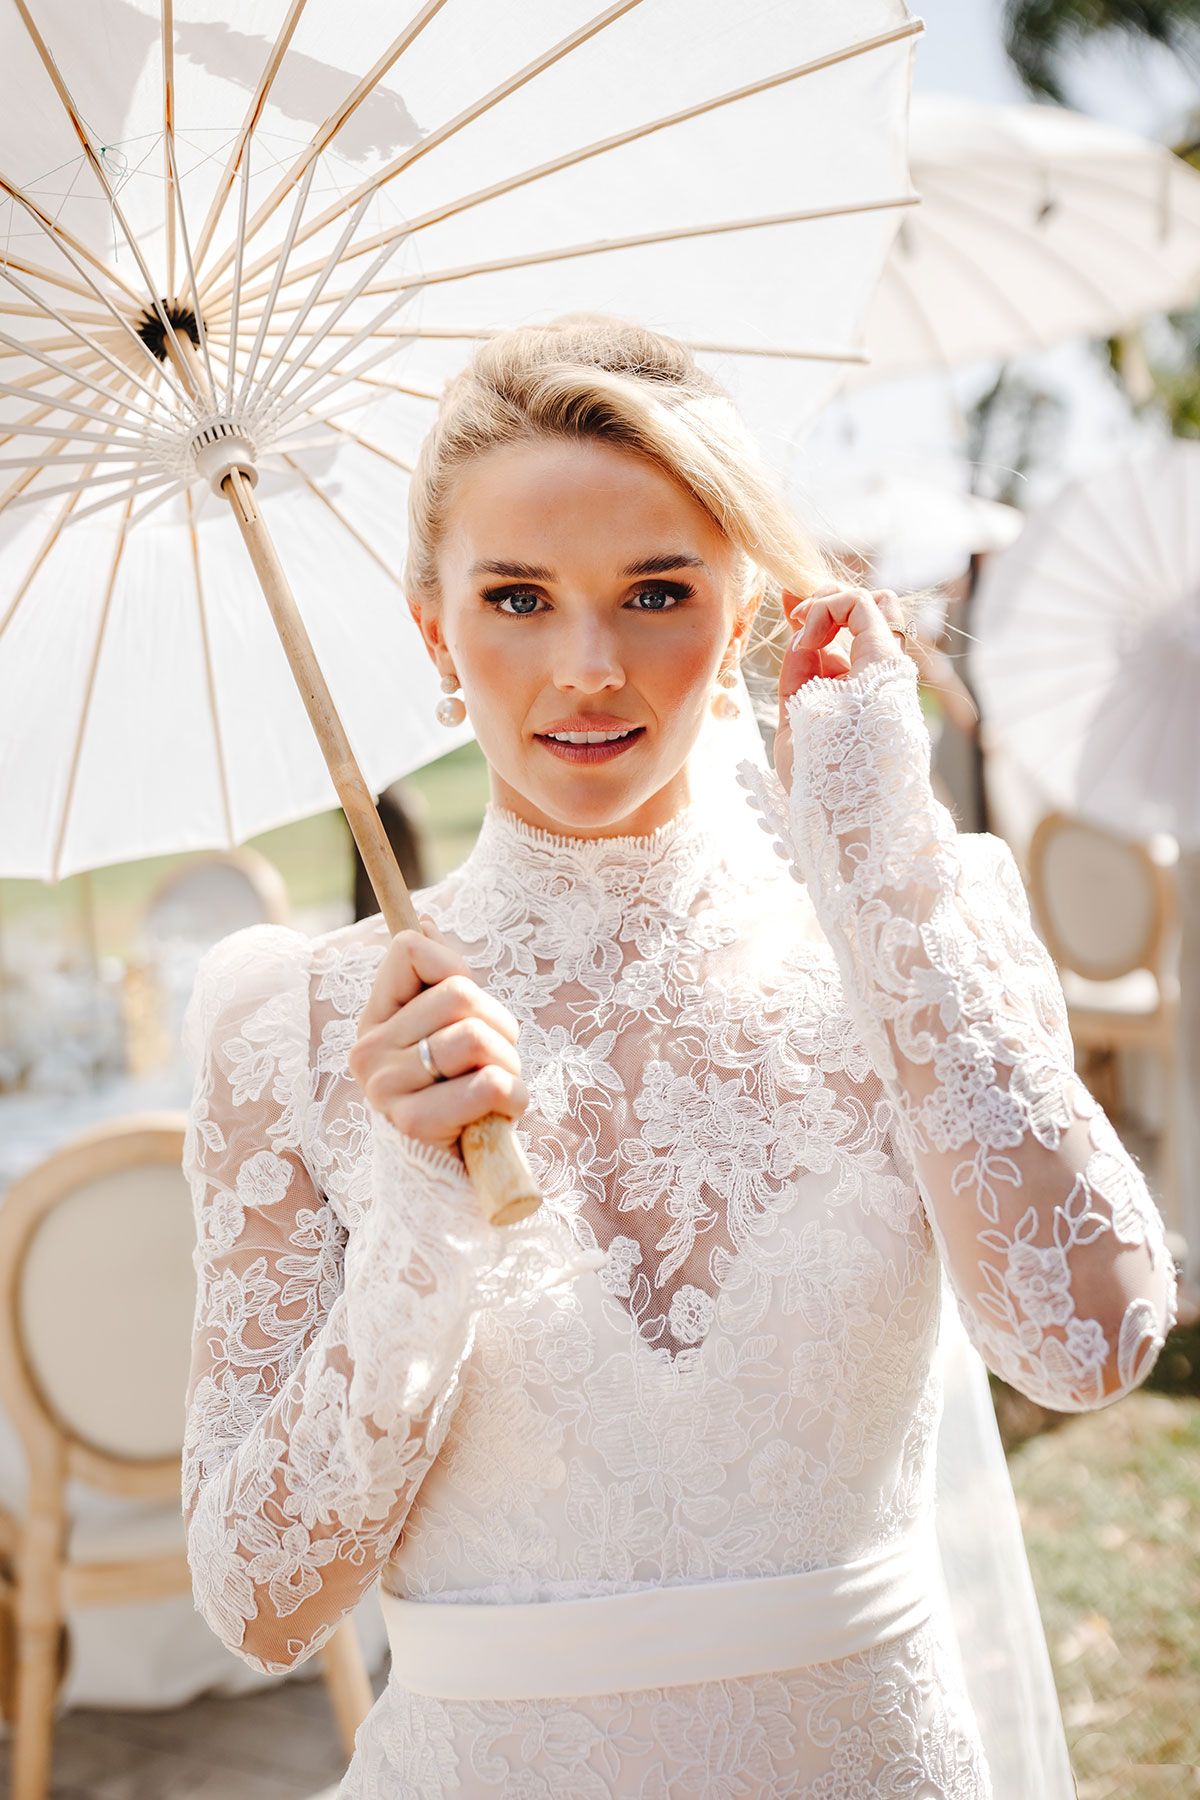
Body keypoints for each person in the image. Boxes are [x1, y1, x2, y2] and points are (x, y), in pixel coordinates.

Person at [182, 316, 1175, 1799]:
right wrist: (413, 1221)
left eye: (656, 590)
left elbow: (1090, 1345)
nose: (588, 667)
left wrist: (883, 878)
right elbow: (259, 1601)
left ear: (749, 608)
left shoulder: (913, 921)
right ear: (436, 636)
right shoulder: (306, 1029)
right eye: (518, 597)